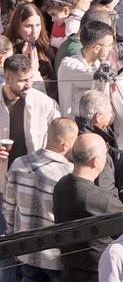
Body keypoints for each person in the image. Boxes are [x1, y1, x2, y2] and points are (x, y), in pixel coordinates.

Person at [2, 114, 78, 280]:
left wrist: (12, 235)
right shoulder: (69, 174)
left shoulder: (19, 164)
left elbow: (8, 208)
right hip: (54, 257)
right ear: (66, 144)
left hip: (25, 252)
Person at [52, 131, 123, 282]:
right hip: (96, 275)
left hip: (69, 272)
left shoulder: (61, 185)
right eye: (105, 153)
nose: (107, 157)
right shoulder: (102, 200)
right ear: (95, 162)